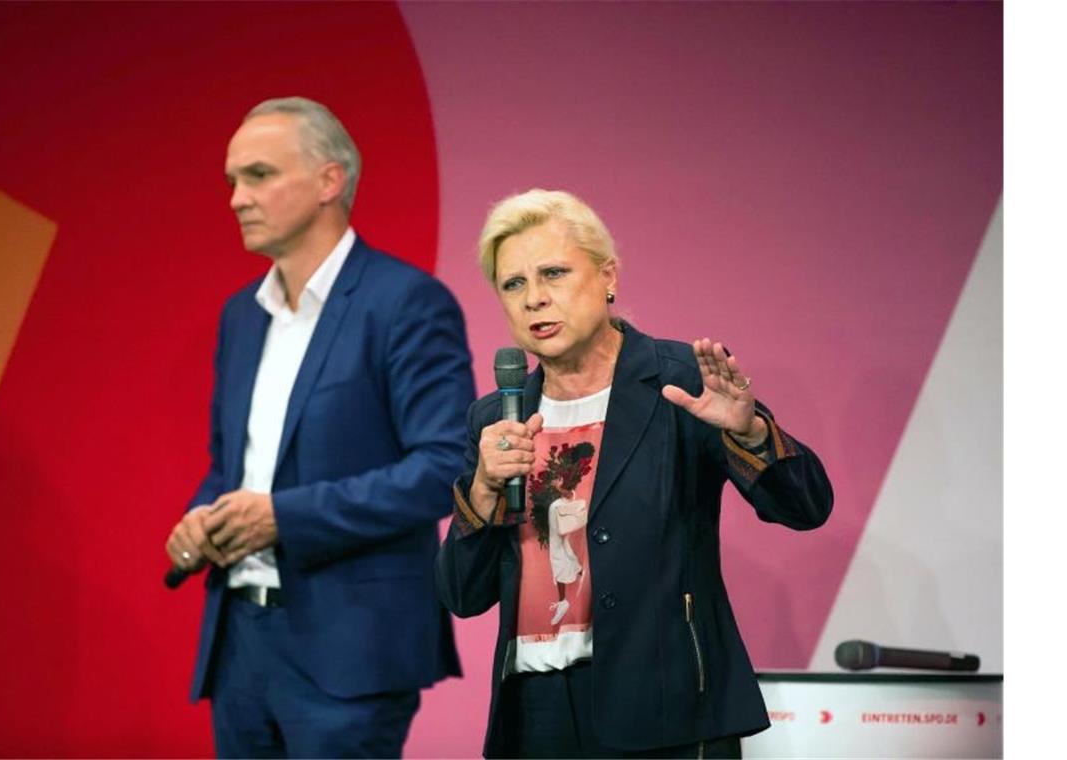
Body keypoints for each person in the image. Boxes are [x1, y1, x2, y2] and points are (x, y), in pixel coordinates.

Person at [436, 189, 833, 758]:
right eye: (513, 284)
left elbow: (806, 508)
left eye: (553, 273)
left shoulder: (680, 383)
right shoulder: (497, 417)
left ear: (607, 276)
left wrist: (748, 433)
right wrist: (482, 490)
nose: (535, 300)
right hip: (536, 717)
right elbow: (462, 594)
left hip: (665, 706)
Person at [163, 97, 475, 758]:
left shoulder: (406, 303)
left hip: (350, 652)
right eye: (232, 182)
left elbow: (445, 467)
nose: (237, 199)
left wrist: (284, 517)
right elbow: (233, 468)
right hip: (240, 645)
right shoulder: (241, 317)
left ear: (330, 181)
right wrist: (200, 517)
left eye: (259, 175)